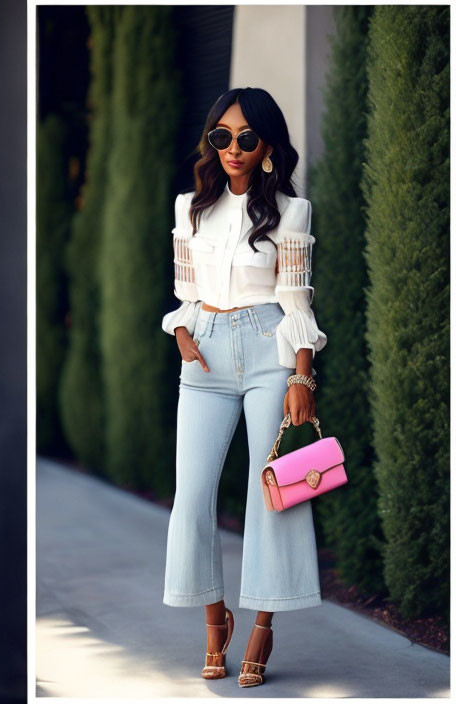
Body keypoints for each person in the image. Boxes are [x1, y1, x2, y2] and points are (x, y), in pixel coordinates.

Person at [160, 87, 325, 688]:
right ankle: (214, 623)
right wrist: (182, 332)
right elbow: (183, 292)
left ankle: (262, 626)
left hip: (267, 350)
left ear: (268, 148)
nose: (233, 148)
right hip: (202, 352)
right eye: (221, 136)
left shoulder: (290, 212)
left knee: (271, 491)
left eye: (247, 138)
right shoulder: (190, 208)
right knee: (192, 495)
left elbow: (296, 302)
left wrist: (302, 374)